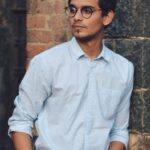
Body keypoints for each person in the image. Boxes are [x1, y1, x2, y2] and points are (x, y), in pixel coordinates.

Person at [8, 0, 134, 149]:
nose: (77, 17)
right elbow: (21, 121)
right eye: (73, 9)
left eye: (87, 10)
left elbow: (118, 131)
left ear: (107, 17)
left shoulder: (123, 69)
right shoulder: (46, 63)